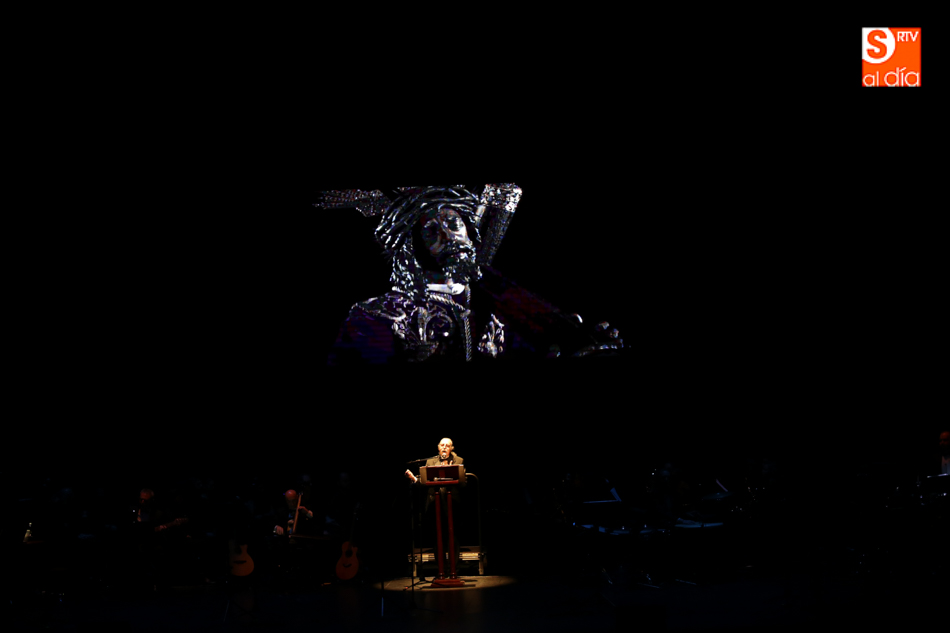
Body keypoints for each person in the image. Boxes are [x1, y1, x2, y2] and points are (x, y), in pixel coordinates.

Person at [319, 184, 623, 365]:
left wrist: (576, 342)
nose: (449, 236)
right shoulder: (378, 316)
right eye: (431, 231)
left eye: (454, 224)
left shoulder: (499, 311)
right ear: (413, 248)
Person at [404, 438, 466, 575]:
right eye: (442, 445)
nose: (444, 447)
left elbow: (463, 483)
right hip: (434, 503)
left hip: (452, 503)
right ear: (438, 447)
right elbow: (424, 482)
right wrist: (414, 479)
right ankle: (441, 571)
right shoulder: (431, 462)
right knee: (437, 537)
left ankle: (453, 570)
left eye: (447, 445)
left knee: (453, 536)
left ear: (451, 448)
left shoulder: (458, 460)